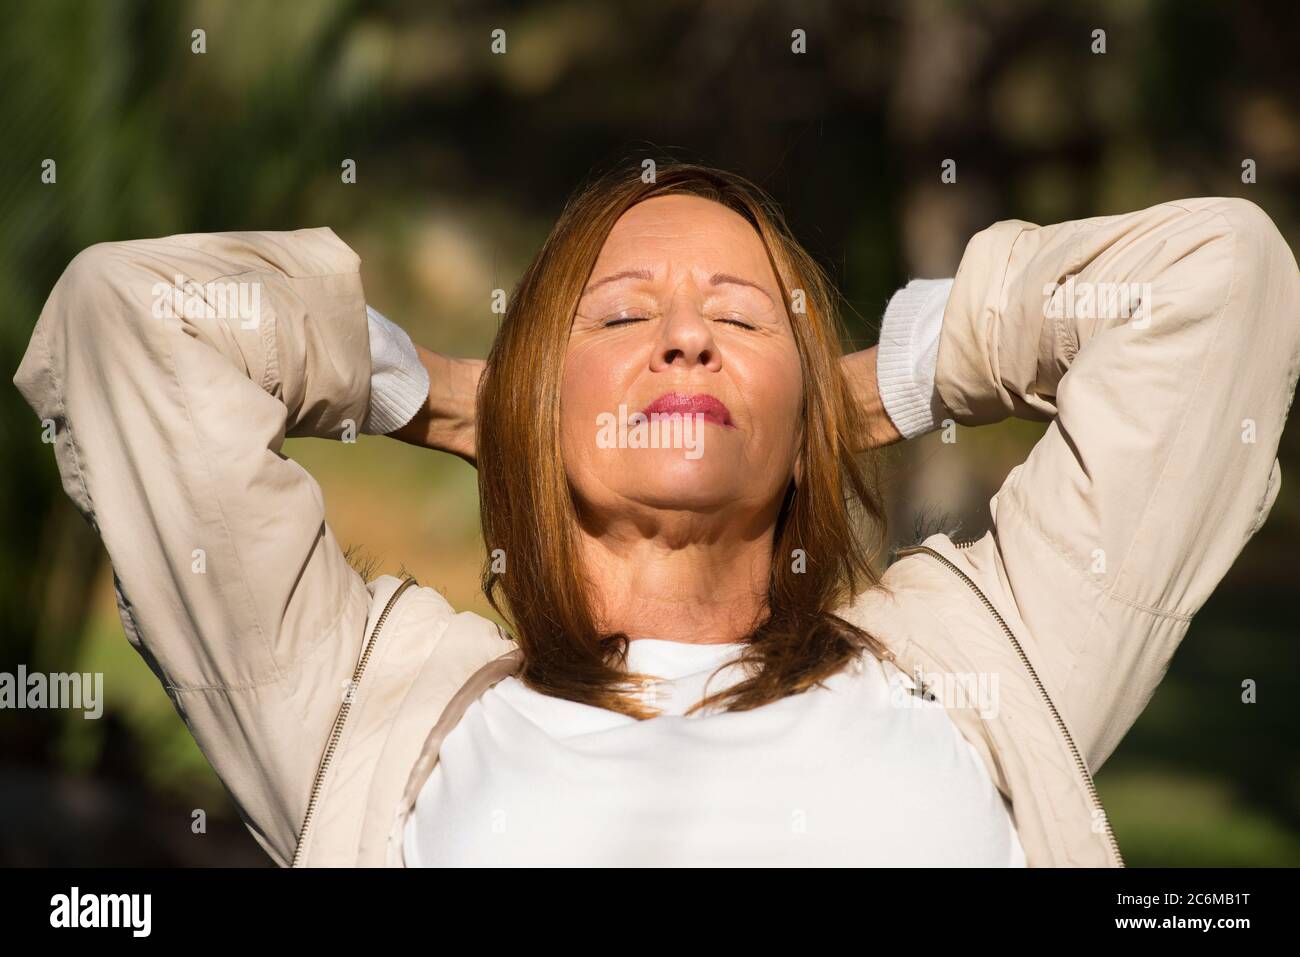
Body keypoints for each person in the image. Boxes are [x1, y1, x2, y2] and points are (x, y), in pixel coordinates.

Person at [14, 164, 1299, 867]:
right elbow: (136, 316)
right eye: (621, 316)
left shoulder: (991, 661)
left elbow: (1214, 279)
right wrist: (459, 400)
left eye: (742, 320)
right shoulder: (359, 709)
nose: (685, 335)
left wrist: (873, 390)